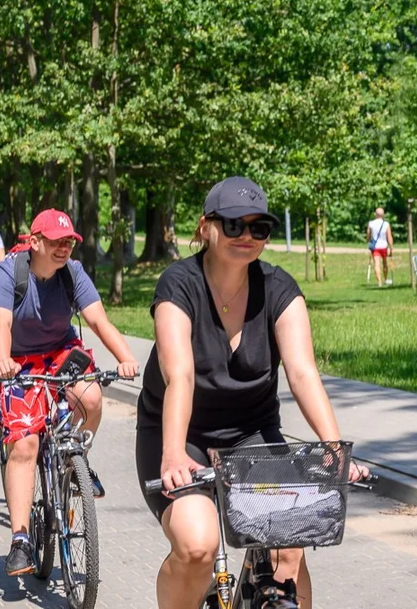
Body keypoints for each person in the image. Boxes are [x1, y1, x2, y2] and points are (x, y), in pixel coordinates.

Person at [136, 177, 368, 609]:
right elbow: (180, 375)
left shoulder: (280, 289)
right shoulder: (178, 285)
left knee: (288, 546)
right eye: (233, 225)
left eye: (258, 228)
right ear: (206, 227)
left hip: (251, 436)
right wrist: (171, 453)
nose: (246, 236)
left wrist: (334, 447)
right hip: (180, 434)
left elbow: (302, 373)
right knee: (198, 545)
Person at [0, 208, 139, 576]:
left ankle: (76, 462)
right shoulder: (9, 272)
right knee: (24, 443)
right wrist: (3, 359)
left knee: (90, 398)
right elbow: (0, 324)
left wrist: (126, 358)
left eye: (69, 242)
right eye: (56, 242)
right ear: (35, 241)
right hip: (19, 360)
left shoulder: (73, 273)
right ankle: (21, 539)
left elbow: (98, 320)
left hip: (60, 352)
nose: (64, 249)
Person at [366, 208, 394, 287]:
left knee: (376, 263)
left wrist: (368, 240)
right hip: (383, 246)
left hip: (375, 246)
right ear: (383, 215)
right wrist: (391, 247)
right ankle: (385, 279)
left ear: (375, 214)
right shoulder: (386, 224)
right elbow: (389, 236)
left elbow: (368, 235)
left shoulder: (371, 223)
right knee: (385, 263)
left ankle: (379, 282)